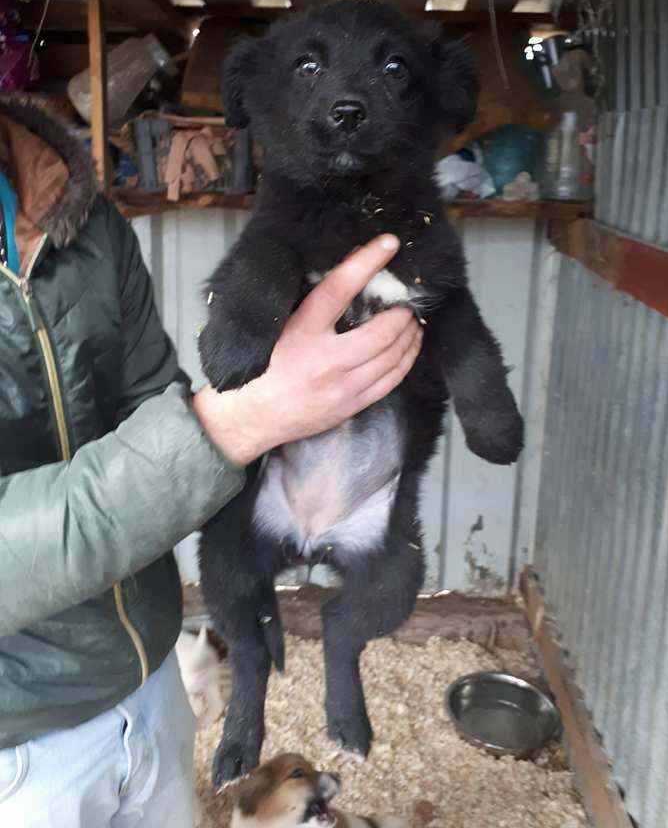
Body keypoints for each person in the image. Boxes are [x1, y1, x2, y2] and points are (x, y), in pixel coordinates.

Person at [0, 101, 422, 827]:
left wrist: (266, 394)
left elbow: (151, 402)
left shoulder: (73, 208)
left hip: (150, 675)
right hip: (23, 745)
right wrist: (248, 416)